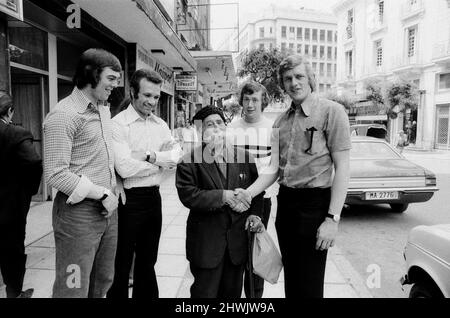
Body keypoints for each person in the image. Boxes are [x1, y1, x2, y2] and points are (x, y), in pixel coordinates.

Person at [235, 54, 351, 298]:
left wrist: (332, 219)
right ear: (283, 84)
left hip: (315, 206)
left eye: (299, 76)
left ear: (310, 79)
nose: (294, 83)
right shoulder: (280, 121)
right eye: (288, 79)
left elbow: (343, 168)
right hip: (286, 206)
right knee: (293, 282)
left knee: (309, 284)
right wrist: (248, 192)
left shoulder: (332, 112)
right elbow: (274, 170)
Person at [43, 48, 122, 298]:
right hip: (78, 216)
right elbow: (56, 174)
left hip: (108, 211)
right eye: (110, 79)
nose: (115, 86)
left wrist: (115, 185)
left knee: (102, 282)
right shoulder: (64, 115)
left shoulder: (103, 109)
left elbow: (103, 156)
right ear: (91, 74)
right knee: (73, 288)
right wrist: (100, 193)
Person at [107, 69, 183, 299]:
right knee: (121, 262)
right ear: (132, 92)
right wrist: (161, 163)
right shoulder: (118, 124)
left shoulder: (160, 124)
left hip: (153, 199)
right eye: (147, 95)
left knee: (148, 261)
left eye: (157, 97)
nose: (152, 102)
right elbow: (124, 168)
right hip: (128, 202)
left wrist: (150, 156)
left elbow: (176, 156)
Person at [175, 106, 265, 298]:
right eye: (209, 124)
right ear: (200, 131)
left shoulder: (244, 157)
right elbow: (188, 195)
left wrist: (255, 215)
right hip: (207, 244)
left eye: (219, 123)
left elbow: (257, 192)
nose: (216, 127)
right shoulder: (189, 161)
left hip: (236, 245)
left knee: (231, 295)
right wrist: (223, 196)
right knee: (204, 295)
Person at [228, 81, 277, 298]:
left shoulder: (272, 129)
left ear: (263, 102)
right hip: (234, 198)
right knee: (235, 254)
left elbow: (273, 168)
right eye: (246, 99)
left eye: (255, 99)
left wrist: (251, 194)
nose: (250, 104)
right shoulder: (231, 129)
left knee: (255, 255)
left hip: (260, 199)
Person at [0, 91, 42, 298]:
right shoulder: (15, 134)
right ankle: (14, 293)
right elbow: (34, 162)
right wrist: (28, 191)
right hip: (9, 207)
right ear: (9, 111)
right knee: (12, 250)